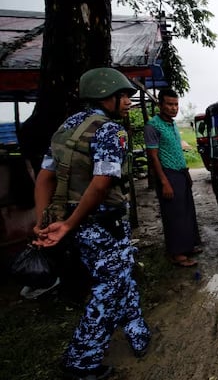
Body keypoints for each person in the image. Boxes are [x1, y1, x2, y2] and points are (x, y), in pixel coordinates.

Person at [33, 67, 151, 379]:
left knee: (121, 275)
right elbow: (101, 184)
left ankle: (138, 333)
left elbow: (44, 177)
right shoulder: (112, 131)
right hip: (100, 224)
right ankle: (80, 362)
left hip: (76, 224)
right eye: (122, 96)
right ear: (104, 96)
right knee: (109, 289)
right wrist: (69, 224)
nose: (128, 101)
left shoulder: (66, 127)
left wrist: (43, 221)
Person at [143, 89, 201, 267]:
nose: (173, 108)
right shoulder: (153, 126)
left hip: (181, 173)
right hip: (167, 175)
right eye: (169, 104)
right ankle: (176, 253)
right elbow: (153, 156)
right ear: (160, 105)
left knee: (186, 211)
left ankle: (188, 246)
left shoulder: (173, 124)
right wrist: (164, 181)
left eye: (176, 104)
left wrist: (187, 173)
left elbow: (177, 151)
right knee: (173, 215)